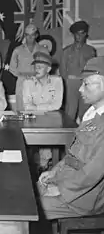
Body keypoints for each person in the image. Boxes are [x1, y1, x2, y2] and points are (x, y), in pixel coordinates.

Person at [38, 56, 104, 220]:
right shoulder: (91, 115)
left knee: (26, 209)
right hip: (69, 181)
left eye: (86, 84)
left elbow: (93, 173)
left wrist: (62, 189)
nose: (80, 89)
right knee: (26, 193)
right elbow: (75, 155)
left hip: (84, 198)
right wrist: (55, 171)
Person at [23, 51, 63, 170]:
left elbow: (57, 105)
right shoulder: (28, 82)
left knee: (49, 141)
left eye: (40, 67)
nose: (36, 69)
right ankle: (37, 166)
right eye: (35, 67)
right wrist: (45, 107)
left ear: (49, 69)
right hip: (33, 119)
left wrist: (36, 107)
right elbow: (27, 106)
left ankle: (45, 164)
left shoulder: (57, 81)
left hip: (51, 119)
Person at [61, 20, 96, 123]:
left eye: (82, 33)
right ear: (73, 35)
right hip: (71, 83)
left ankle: (85, 134)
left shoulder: (90, 51)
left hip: (85, 83)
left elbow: (93, 68)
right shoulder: (66, 51)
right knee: (70, 111)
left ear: (86, 34)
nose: (79, 36)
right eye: (77, 34)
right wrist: (66, 83)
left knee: (85, 110)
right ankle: (67, 135)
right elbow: (63, 69)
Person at [9, 23, 49, 111]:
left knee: (38, 110)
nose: (30, 37)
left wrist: (37, 76)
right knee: (22, 110)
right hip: (22, 83)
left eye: (32, 35)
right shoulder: (18, 50)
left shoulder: (43, 50)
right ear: (24, 36)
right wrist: (22, 75)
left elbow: (47, 67)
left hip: (38, 83)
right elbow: (12, 68)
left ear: (36, 35)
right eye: (27, 35)